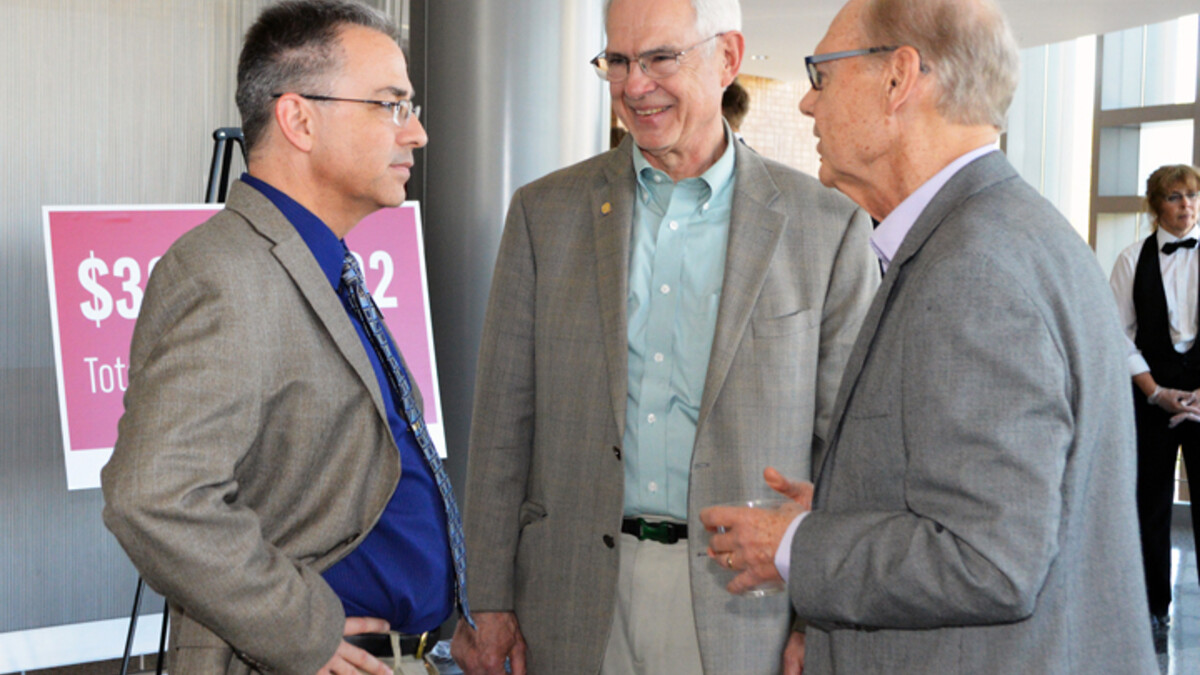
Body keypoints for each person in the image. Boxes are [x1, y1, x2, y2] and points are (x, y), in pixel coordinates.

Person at [701, 0, 1159, 672]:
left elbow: (990, 558)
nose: (805, 104)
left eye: (821, 74)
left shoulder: (975, 269)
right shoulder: (1003, 233)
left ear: (898, 79)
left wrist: (799, 544)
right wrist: (842, 507)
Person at [449, 0, 878, 672]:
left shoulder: (828, 229)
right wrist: (488, 598)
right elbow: (502, 425)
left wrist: (817, 618)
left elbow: (848, 457)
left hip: (745, 605)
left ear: (728, 58)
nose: (634, 85)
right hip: (569, 599)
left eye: (659, 59)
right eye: (617, 61)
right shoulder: (544, 214)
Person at [101, 2, 468, 674]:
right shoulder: (222, 272)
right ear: (298, 119)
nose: (415, 133)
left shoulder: (321, 262)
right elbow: (154, 494)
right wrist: (300, 627)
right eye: (390, 105)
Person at [1109, 163, 1200, 646]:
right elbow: (1117, 338)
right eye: (1174, 196)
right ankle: (1152, 610)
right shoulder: (1129, 260)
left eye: (1192, 195)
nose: (1186, 205)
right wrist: (1155, 392)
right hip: (1150, 401)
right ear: (1155, 205)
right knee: (1150, 508)